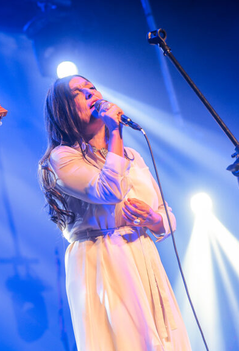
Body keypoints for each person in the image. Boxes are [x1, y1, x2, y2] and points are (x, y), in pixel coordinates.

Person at [38, 75, 192, 350]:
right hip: (103, 259)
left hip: (142, 254)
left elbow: (165, 212)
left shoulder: (132, 156)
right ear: (63, 110)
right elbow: (109, 191)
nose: (90, 92)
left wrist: (155, 220)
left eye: (91, 87)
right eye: (78, 91)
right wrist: (115, 133)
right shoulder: (61, 157)